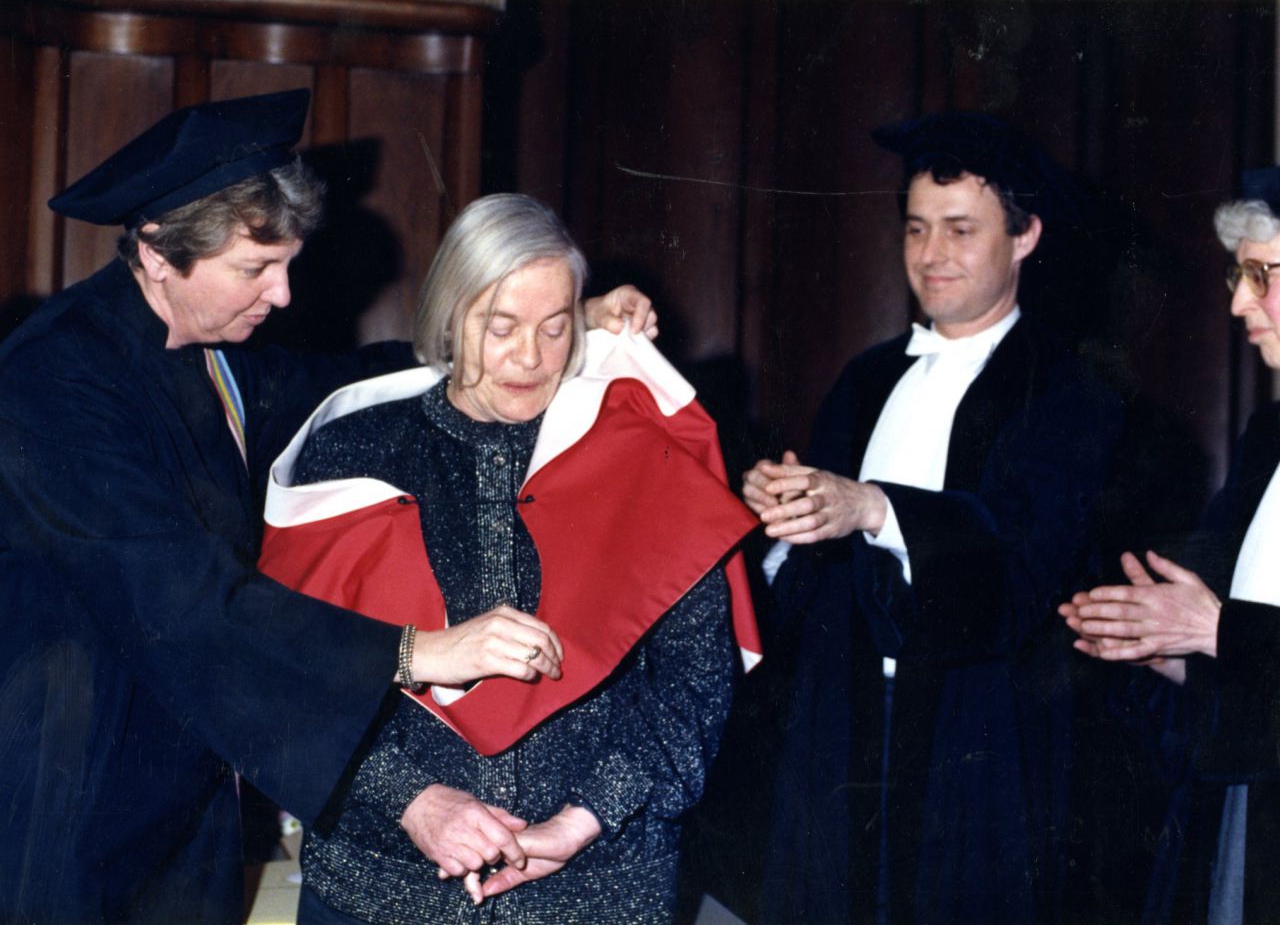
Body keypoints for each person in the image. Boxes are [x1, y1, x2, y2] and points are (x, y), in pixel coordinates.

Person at [0, 91, 654, 924]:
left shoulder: (209, 352)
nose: (280, 296)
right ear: (160, 252)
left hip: (180, 790)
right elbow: (184, 601)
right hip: (64, 793)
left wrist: (556, 329)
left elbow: (351, 382)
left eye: (286, 265)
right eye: (254, 269)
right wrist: (417, 651)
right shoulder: (51, 379)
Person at [254, 192, 757, 924]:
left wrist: (582, 819)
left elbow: (694, 679)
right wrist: (410, 802)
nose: (530, 358)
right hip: (382, 885)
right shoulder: (354, 449)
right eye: (502, 327)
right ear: (452, 317)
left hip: (599, 885)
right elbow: (291, 671)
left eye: (556, 328)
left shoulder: (637, 454)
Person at [741, 112, 1123, 925]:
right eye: (916, 228)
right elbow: (805, 574)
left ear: (1025, 238)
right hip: (843, 716)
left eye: (959, 230)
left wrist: (873, 507)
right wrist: (779, 515)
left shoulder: (1067, 391)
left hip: (981, 725)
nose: (930, 255)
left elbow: (1028, 562)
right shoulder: (867, 376)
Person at [1061, 166, 1280, 924]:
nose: (1238, 301)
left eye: (1261, 275)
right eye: (1236, 274)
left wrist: (1213, 629)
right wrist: (1172, 650)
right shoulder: (1269, 436)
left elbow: (1237, 630)